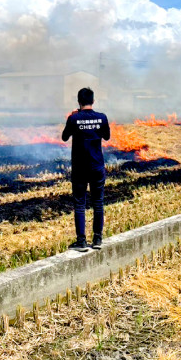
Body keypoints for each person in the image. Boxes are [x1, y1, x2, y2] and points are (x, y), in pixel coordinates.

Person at [61, 87, 111, 251]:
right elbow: (107, 136)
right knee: (98, 202)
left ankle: (81, 242)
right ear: (93, 101)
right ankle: (97, 239)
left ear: (79, 102)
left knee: (80, 204)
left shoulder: (74, 118)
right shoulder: (102, 117)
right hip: (97, 166)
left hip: (80, 168)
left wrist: (72, 117)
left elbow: (64, 137)